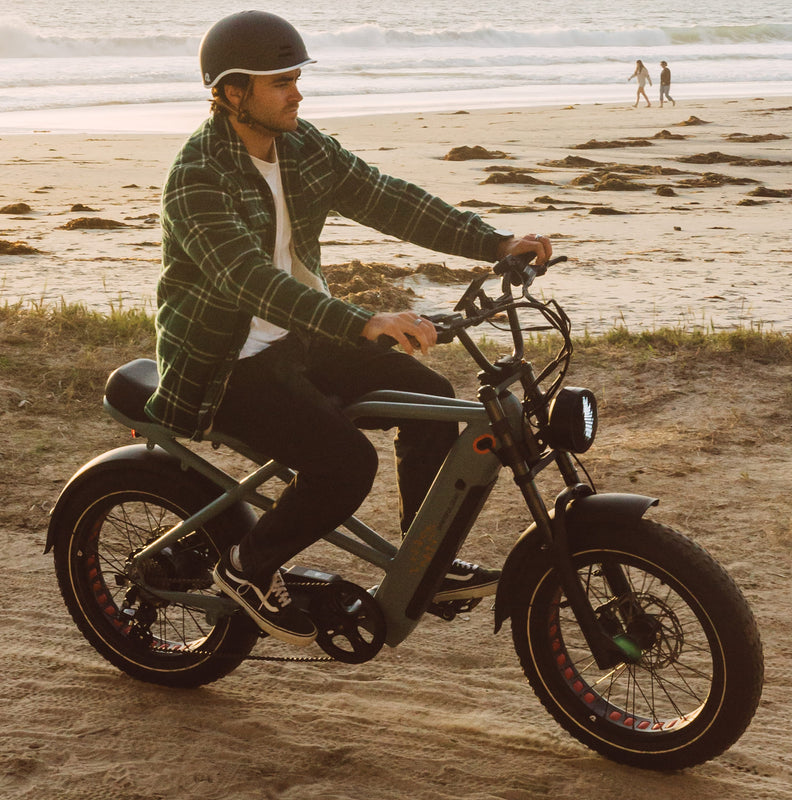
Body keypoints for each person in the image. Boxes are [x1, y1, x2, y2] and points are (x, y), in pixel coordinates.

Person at [144, 11, 554, 647]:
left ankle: (424, 566)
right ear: (231, 93)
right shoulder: (198, 175)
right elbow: (250, 282)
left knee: (436, 406)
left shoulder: (302, 147)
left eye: (296, 78)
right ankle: (246, 566)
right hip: (226, 360)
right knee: (344, 465)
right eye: (280, 82)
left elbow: (384, 196)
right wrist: (363, 321)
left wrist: (494, 241)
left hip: (299, 340)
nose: (297, 93)